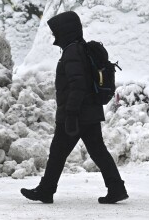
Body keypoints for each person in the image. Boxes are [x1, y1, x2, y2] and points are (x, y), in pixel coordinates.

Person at [20, 11, 128, 204]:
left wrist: (70, 112)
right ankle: (116, 188)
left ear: (65, 31)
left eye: (56, 32)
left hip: (77, 113)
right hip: (90, 111)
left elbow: (77, 85)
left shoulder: (72, 52)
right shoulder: (80, 49)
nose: (55, 37)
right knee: (97, 151)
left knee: (58, 151)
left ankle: (46, 190)